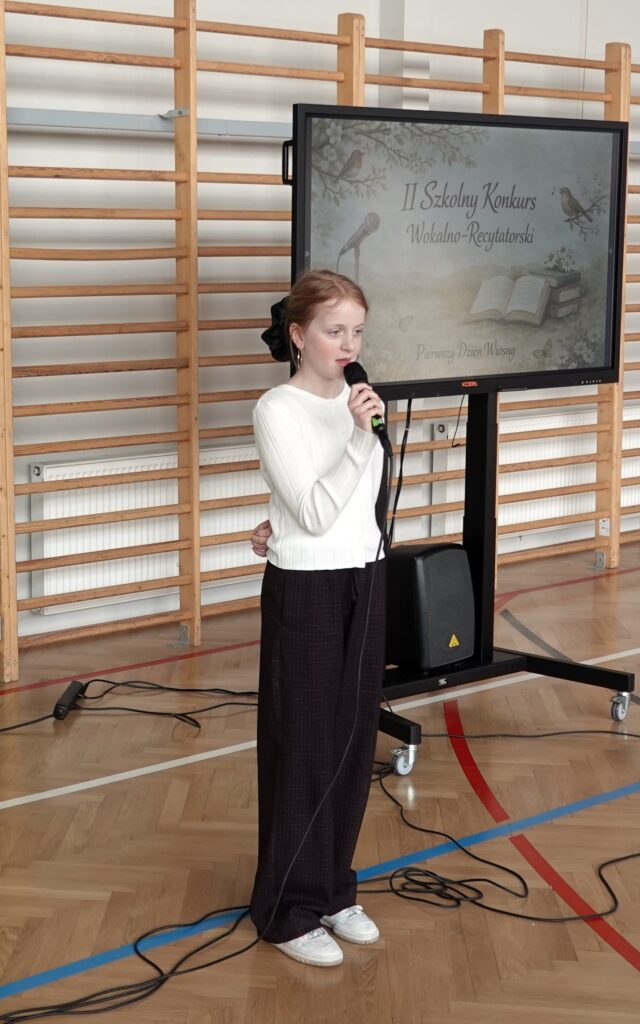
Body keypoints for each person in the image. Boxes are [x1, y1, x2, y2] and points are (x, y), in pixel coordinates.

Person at [249, 269, 387, 968]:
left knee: (352, 742)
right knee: (301, 746)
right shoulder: (277, 408)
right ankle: (286, 910)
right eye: (335, 331)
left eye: (357, 331)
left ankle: (333, 889)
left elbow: (350, 505)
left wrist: (272, 517)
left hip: (365, 577)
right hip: (306, 590)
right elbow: (311, 510)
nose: (349, 344)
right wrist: (360, 439)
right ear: (299, 335)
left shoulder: (359, 404)